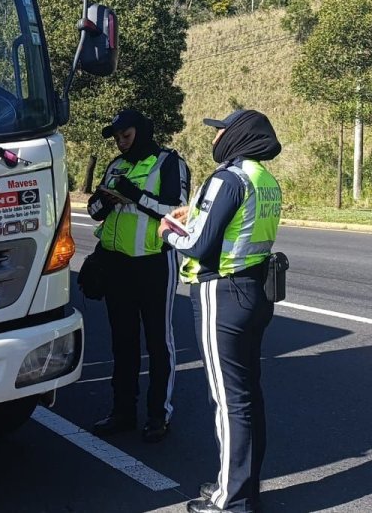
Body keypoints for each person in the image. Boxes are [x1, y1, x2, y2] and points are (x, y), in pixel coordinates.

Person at [162, 109, 282, 513]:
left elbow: (199, 245)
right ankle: (242, 486)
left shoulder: (227, 178)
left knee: (228, 401)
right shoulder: (263, 179)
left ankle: (231, 500)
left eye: (220, 132)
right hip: (254, 292)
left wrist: (169, 231)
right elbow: (232, 226)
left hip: (222, 294)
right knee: (247, 395)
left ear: (237, 136)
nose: (214, 138)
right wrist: (196, 216)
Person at [86, 108, 190, 443]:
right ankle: (123, 412)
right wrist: (106, 202)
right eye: (117, 138)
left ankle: (159, 415)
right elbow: (93, 210)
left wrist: (136, 196)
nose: (120, 143)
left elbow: (178, 212)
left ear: (141, 132)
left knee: (159, 342)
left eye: (126, 136)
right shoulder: (116, 165)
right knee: (123, 342)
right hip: (117, 266)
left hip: (154, 264)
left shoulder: (168, 163)